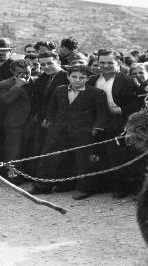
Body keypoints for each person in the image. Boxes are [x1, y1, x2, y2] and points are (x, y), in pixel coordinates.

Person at [29, 65, 108, 199]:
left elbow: (101, 113)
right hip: (59, 130)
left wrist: (97, 128)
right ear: (68, 76)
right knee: (49, 157)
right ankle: (42, 186)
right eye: (74, 77)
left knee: (83, 160)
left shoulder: (96, 93)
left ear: (88, 78)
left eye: (82, 77)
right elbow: (51, 108)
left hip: (83, 131)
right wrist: (51, 122)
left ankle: (84, 188)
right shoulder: (59, 90)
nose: (77, 80)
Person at [86, 50, 140, 198]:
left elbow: (135, 106)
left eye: (110, 62)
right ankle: (98, 186)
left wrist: (120, 110)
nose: (105, 66)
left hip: (118, 123)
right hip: (97, 123)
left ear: (119, 63)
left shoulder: (128, 81)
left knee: (116, 156)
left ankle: (120, 188)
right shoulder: (92, 80)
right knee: (96, 155)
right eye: (102, 62)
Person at [0, 59, 37, 181]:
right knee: (13, 150)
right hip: (14, 122)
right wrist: (17, 86)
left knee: (31, 149)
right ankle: (13, 177)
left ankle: (29, 176)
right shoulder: (3, 84)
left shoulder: (36, 81)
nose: (24, 75)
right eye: (19, 72)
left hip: (33, 121)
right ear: (12, 71)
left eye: (27, 72)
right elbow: (5, 100)